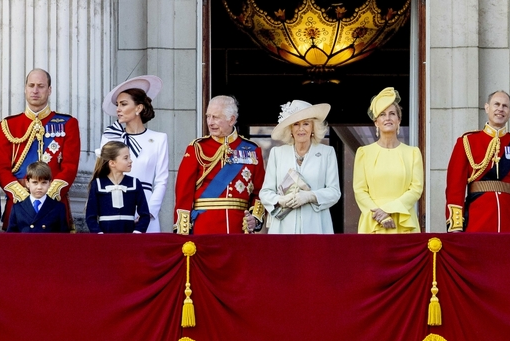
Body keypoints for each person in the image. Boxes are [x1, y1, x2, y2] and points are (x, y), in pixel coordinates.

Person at [0, 68, 81, 230]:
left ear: (49, 90)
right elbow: (1, 168)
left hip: (53, 207)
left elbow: (70, 166)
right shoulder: (8, 125)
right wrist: (23, 196)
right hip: (18, 208)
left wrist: (47, 195)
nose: (35, 90)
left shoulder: (68, 123)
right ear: (25, 89)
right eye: (31, 85)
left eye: (41, 86)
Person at [445, 91, 510, 232]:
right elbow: (455, 187)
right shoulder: (467, 142)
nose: (500, 109)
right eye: (496, 104)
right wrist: (456, 226)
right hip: (478, 219)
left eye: (505, 106)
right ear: (487, 108)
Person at [174, 95, 265, 235]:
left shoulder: (252, 150)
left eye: (216, 117)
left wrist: (255, 218)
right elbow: (183, 192)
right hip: (204, 227)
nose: (210, 122)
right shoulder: (197, 148)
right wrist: (183, 232)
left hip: (239, 228)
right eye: (208, 116)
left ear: (232, 120)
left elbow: (260, 191)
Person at [258, 100, 341, 234]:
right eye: (296, 124)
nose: (301, 128)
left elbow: (334, 192)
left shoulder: (327, 153)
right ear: (290, 129)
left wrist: (310, 196)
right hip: (283, 228)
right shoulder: (277, 153)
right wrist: (281, 200)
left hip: (316, 226)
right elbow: (265, 192)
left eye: (306, 123)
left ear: (313, 128)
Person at [100, 76, 169, 232]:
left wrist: (149, 212)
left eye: (124, 104)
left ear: (139, 108)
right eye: (117, 105)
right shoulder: (110, 137)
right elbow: (101, 175)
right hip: (116, 204)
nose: (118, 109)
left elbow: (162, 180)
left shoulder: (159, 139)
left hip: (146, 203)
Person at [353, 88, 423, 233]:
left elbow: (416, 189)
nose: (388, 118)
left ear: (399, 120)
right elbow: (360, 191)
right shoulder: (364, 153)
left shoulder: (413, 153)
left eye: (392, 114)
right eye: (382, 114)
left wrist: (389, 210)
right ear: (376, 122)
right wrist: (380, 215)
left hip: (403, 220)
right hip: (373, 221)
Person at [85, 141, 151, 234]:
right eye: (126, 158)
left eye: (129, 157)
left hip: (129, 236)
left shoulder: (135, 183)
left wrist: (137, 232)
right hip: (105, 237)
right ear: (112, 163)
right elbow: (90, 217)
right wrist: (99, 234)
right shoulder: (98, 184)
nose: (130, 161)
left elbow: (145, 214)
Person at [6, 162, 70, 233]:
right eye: (35, 182)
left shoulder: (58, 208)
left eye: (44, 183)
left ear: (49, 183)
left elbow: (63, 237)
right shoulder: (17, 208)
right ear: (27, 183)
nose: (39, 187)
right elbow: (11, 237)